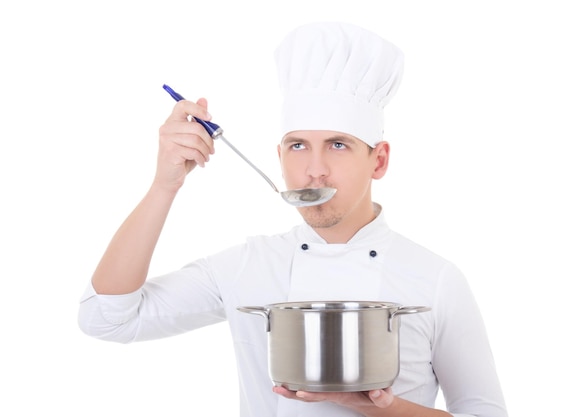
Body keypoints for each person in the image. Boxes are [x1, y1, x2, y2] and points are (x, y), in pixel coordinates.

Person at [78, 21, 508, 417]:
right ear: (279, 158)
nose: (315, 169)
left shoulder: (435, 279)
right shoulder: (248, 265)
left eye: (338, 145)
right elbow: (107, 317)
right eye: (298, 146)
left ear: (378, 160)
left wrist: (370, 404)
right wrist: (164, 185)